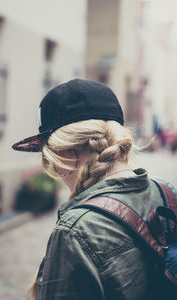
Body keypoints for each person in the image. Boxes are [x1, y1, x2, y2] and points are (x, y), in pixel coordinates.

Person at [12, 79, 177, 300]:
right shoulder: (166, 192)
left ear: (66, 152)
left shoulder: (75, 230)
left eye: (49, 156)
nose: (53, 168)